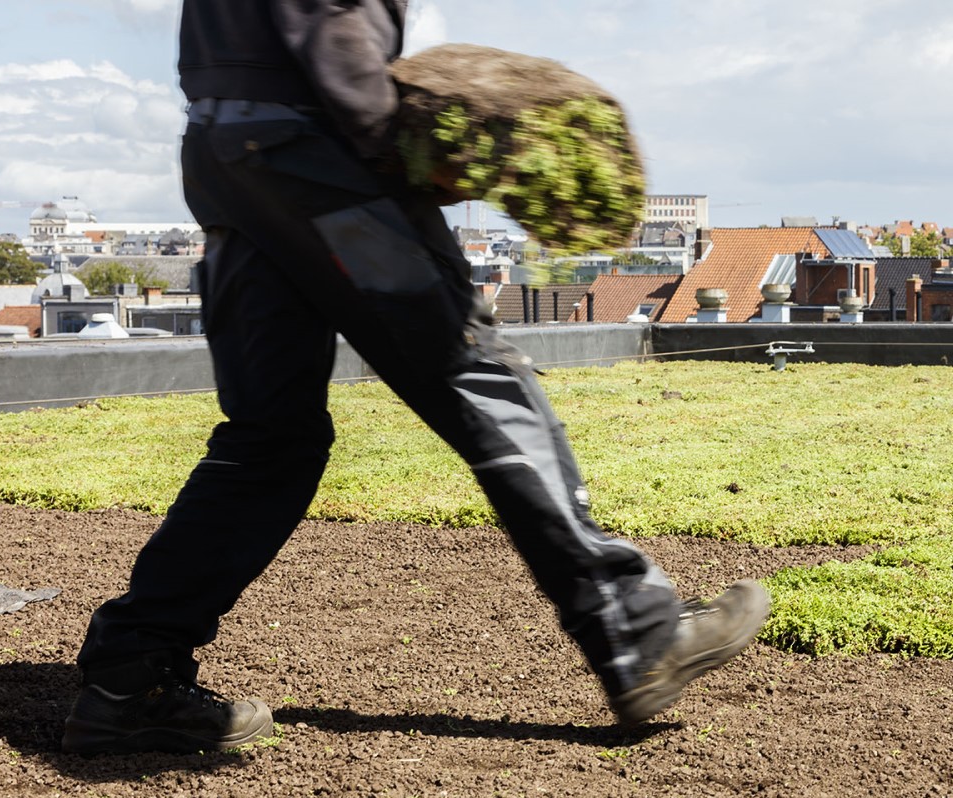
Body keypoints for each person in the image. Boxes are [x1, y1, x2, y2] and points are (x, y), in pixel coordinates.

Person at [62, 0, 769, 754]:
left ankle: (129, 678)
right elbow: (333, 29)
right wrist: (399, 145)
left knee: (271, 438)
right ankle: (635, 629)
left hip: (227, 156)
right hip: (319, 157)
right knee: (477, 375)